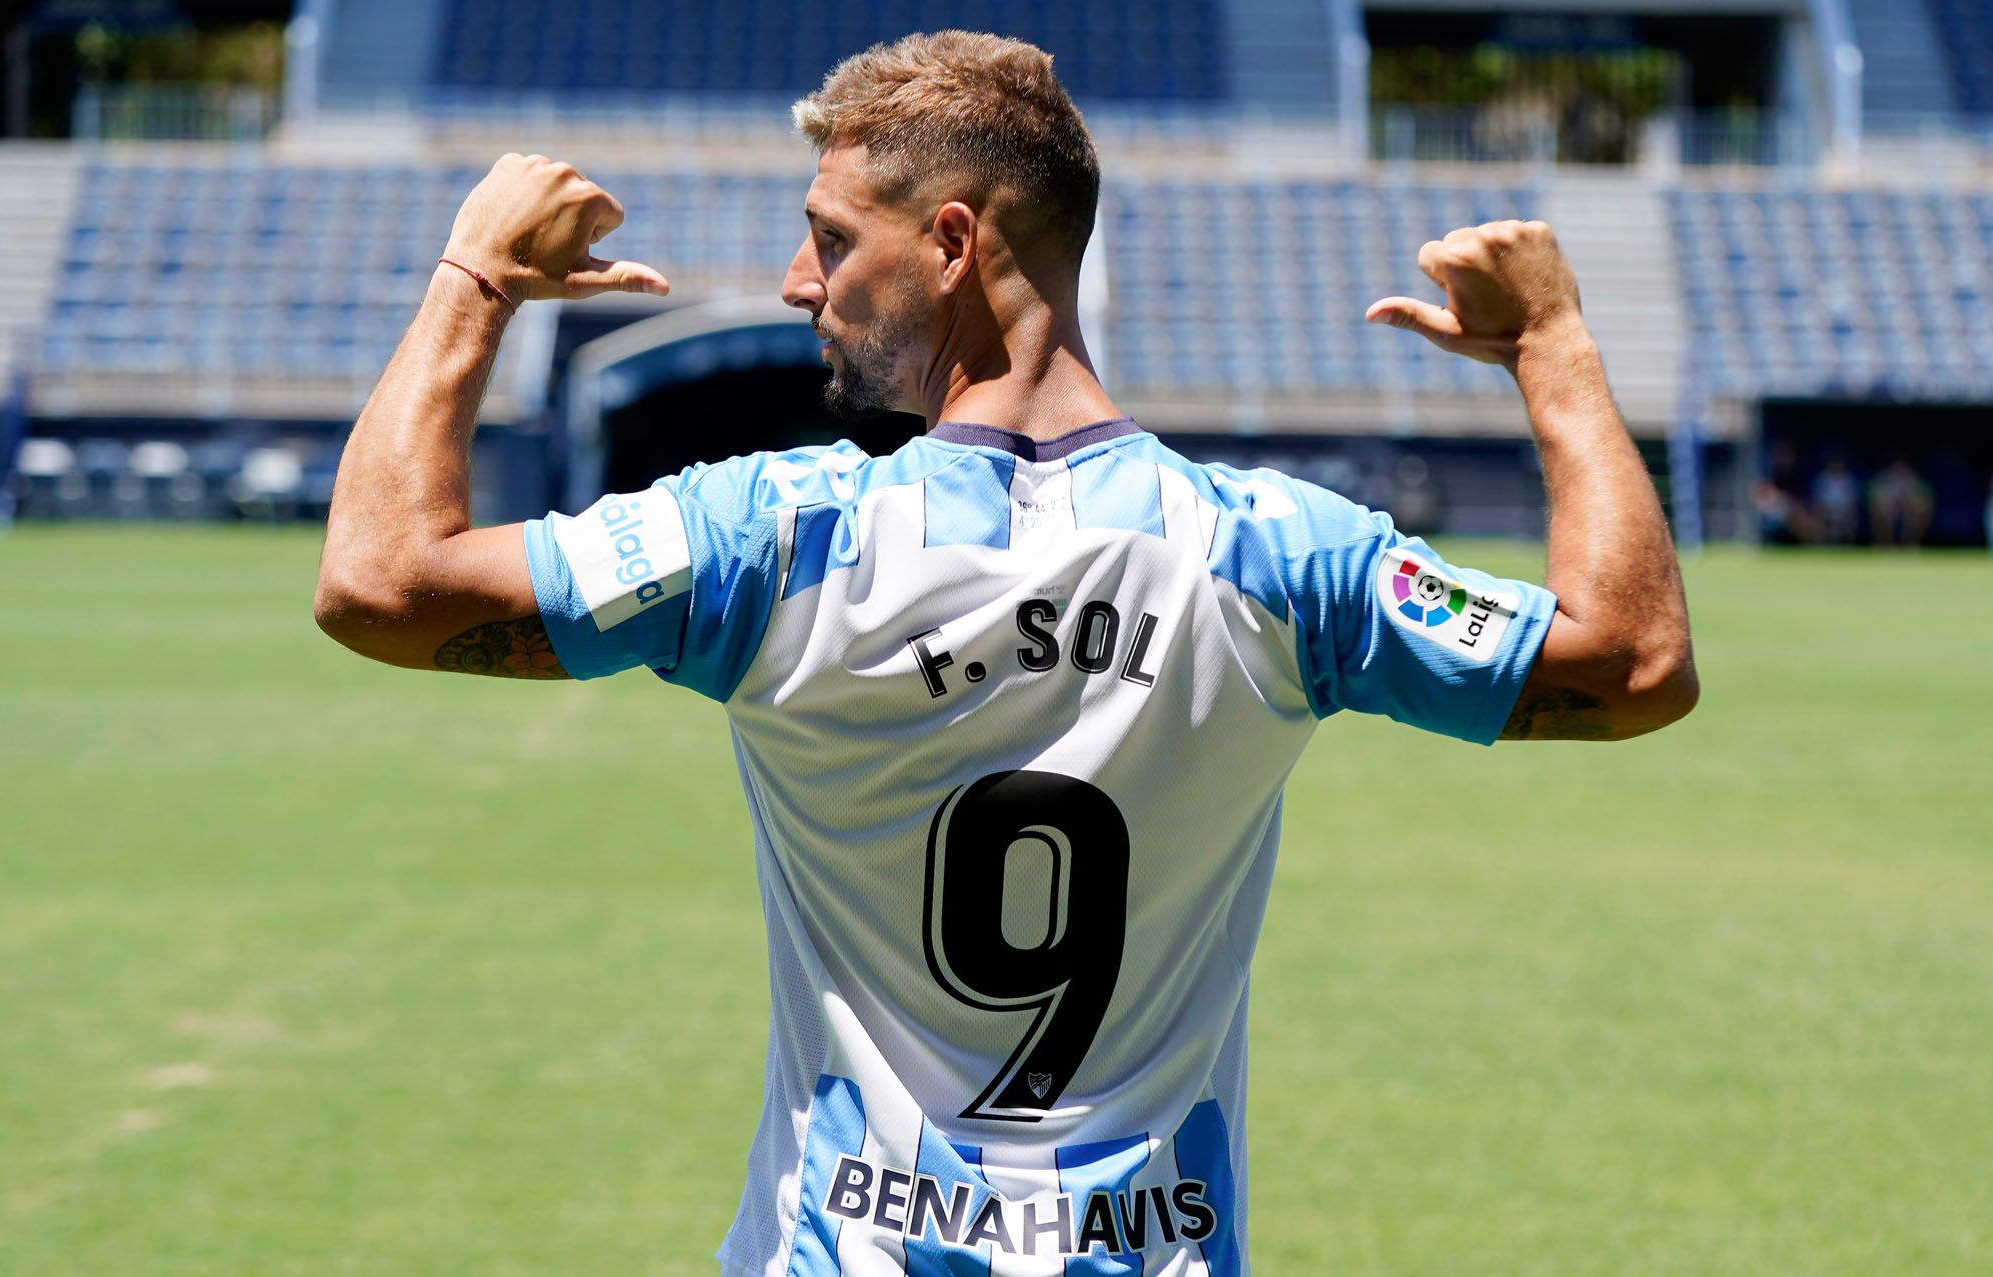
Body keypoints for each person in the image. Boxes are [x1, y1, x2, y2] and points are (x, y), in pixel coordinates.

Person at [315, 31, 1697, 1275]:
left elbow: (379, 582)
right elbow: (1633, 666)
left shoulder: (777, 538)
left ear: (954, 242)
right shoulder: (1279, 556)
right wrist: (1557, 350)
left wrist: (474, 278)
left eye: (832, 238)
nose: (802, 283)